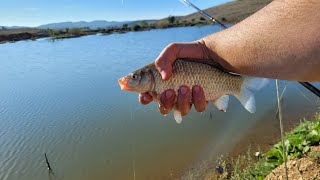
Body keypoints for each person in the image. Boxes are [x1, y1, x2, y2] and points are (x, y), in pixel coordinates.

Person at [139, 0, 320, 116]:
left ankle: (237, 85)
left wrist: (207, 50)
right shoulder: (154, 84)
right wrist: (207, 50)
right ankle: (234, 86)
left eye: (134, 77)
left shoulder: (157, 73)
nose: (131, 79)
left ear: (148, 74)